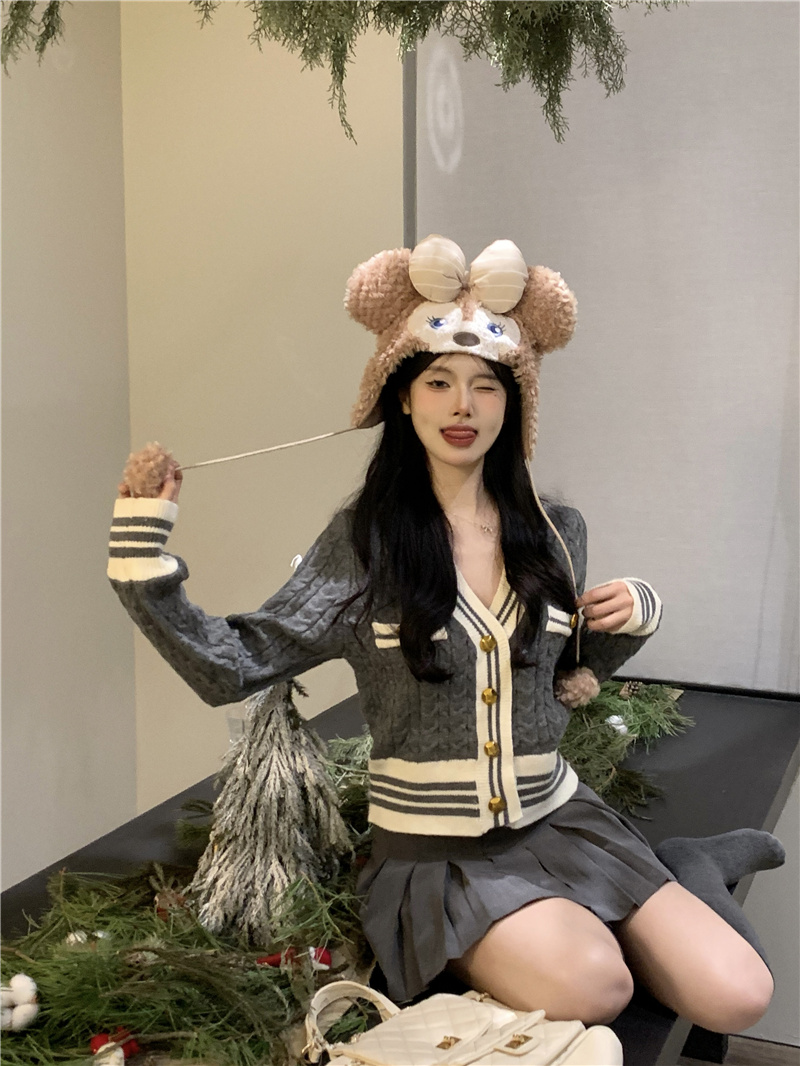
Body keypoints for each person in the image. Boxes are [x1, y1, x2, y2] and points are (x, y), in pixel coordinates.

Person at [110, 236, 778, 1033]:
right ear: (403, 397)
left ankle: (679, 869)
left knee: (739, 995)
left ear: (513, 403)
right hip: (439, 858)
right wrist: (141, 551)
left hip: (564, 819)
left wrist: (633, 616)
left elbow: (564, 676)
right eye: (439, 382)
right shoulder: (364, 546)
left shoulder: (554, 531)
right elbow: (234, 663)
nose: (463, 406)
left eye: (486, 386)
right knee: (596, 986)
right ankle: (583, 923)